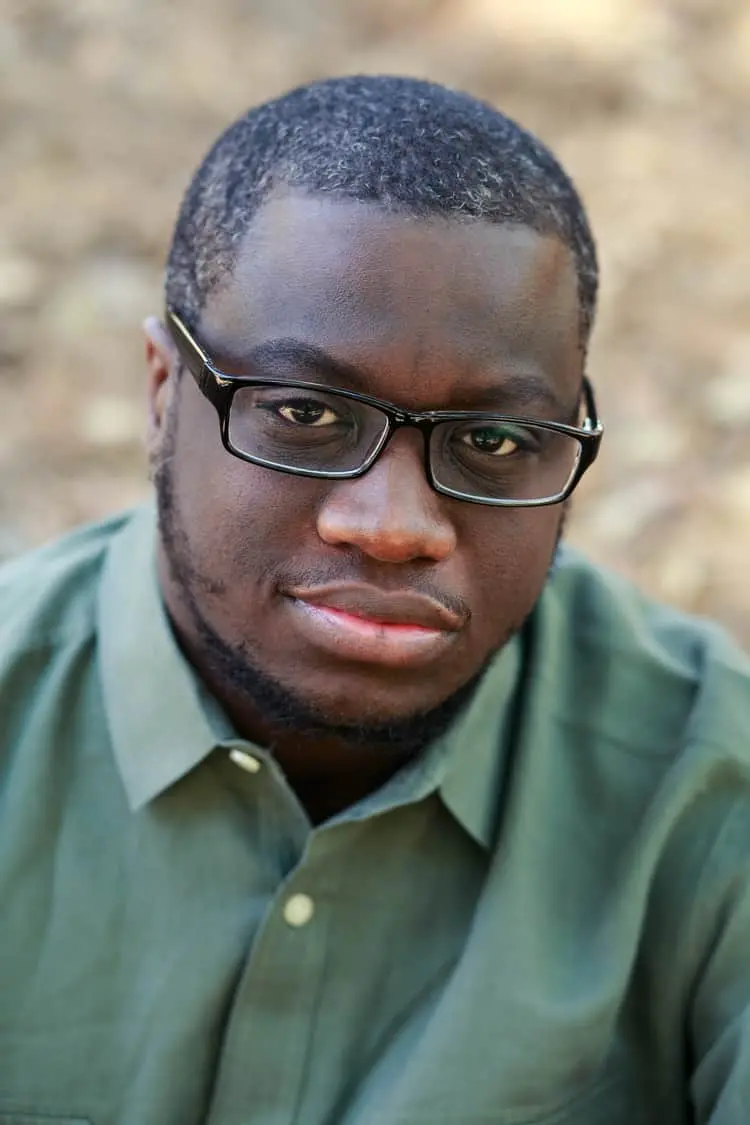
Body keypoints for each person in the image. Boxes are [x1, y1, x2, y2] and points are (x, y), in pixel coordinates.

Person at [1, 73, 748, 1125]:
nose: (395, 525)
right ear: (164, 395)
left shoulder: (710, 791)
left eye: (495, 440)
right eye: (307, 413)